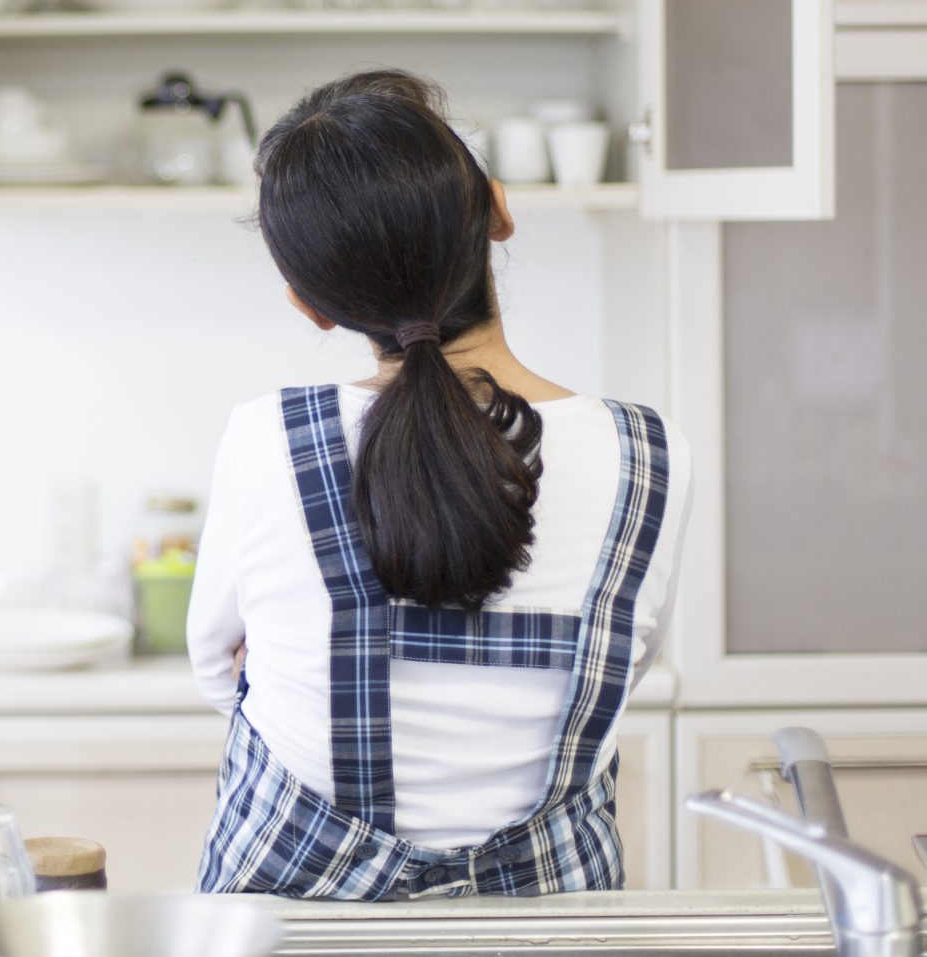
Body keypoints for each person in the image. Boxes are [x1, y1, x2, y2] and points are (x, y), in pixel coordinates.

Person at [188, 69, 692, 901]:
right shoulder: (649, 451)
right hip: (551, 922)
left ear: (309, 304)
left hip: (296, 920)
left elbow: (222, 672)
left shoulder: (265, 438)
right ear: (499, 208)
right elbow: (622, 662)